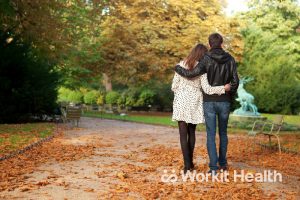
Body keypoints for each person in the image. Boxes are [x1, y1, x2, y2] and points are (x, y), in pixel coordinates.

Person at [175, 33, 239, 174]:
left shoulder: (206, 59)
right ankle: (222, 164)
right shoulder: (231, 59)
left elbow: (191, 74)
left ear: (210, 44)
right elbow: (235, 81)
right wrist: (228, 93)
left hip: (209, 101)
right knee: (223, 133)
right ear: (221, 43)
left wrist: (177, 68)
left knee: (211, 134)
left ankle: (213, 168)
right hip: (224, 101)